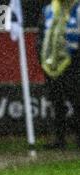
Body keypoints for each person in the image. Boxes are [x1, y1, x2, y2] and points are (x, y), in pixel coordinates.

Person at [39, 0, 80, 148]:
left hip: (75, 63)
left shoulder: (78, 9)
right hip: (53, 65)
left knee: (77, 102)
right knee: (56, 103)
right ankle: (59, 139)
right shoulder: (48, 10)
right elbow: (42, 37)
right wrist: (43, 60)